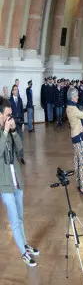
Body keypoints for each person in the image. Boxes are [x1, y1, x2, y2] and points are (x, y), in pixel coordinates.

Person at [0, 98, 39, 267]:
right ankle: (23, 254)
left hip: (17, 182)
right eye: (8, 115)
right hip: (5, 186)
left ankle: (25, 244)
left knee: (21, 218)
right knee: (15, 221)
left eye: (11, 115)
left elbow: (20, 148)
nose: (10, 118)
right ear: (0, 115)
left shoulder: (10, 128)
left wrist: (14, 131)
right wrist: (6, 132)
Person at [66, 88, 83, 195]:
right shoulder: (72, 108)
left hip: (75, 135)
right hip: (79, 137)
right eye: (76, 96)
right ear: (73, 97)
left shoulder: (70, 106)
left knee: (77, 160)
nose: (78, 97)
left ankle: (78, 183)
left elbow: (80, 114)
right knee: (82, 162)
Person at [8, 86, 24, 164]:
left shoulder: (20, 100)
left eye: (17, 90)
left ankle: (21, 157)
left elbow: (22, 111)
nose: (16, 91)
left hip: (20, 122)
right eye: (14, 90)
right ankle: (14, 158)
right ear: (12, 91)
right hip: (13, 122)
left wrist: (23, 123)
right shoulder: (10, 100)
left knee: (20, 140)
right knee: (13, 140)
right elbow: (9, 112)